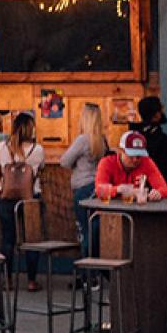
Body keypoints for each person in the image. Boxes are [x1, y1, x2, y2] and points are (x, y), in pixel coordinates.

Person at [0, 112, 45, 283]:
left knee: (7, 239)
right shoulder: (37, 150)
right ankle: (31, 280)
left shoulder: (3, 147)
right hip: (31, 197)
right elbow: (40, 169)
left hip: (6, 197)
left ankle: (7, 278)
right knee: (31, 239)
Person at [58, 102, 109, 258]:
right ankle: (94, 273)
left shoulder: (82, 140)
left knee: (84, 231)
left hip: (83, 189)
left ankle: (86, 274)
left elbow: (64, 161)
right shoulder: (102, 140)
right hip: (97, 189)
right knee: (93, 230)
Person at [128, 96, 167, 201]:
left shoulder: (132, 140)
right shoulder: (164, 142)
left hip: (138, 195)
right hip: (162, 196)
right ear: (157, 115)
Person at [94, 130, 167, 201]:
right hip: (111, 210)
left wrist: (158, 193)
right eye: (131, 155)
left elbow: (164, 188)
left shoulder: (146, 161)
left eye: (139, 156)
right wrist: (118, 189)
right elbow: (99, 190)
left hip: (139, 210)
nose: (135, 159)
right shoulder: (107, 162)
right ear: (121, 151)